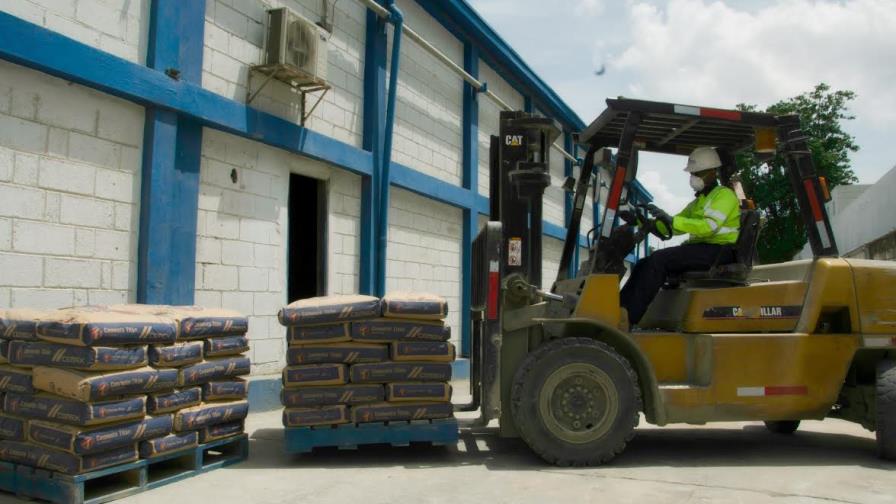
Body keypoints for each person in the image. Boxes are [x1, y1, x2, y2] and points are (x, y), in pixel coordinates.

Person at [620, 146, 740, 326]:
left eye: (698, 172)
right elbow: (676, 226)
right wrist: (644, 221)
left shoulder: (725, 196)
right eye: (692, 173)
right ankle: (618, 308)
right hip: (703, 249)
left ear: (713, 172)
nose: (693, 177)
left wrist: (671, 220)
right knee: (644, 263)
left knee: (659, 260)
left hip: (719, 250)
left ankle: (628, 319)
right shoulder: (699, 201)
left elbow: (709, 227)